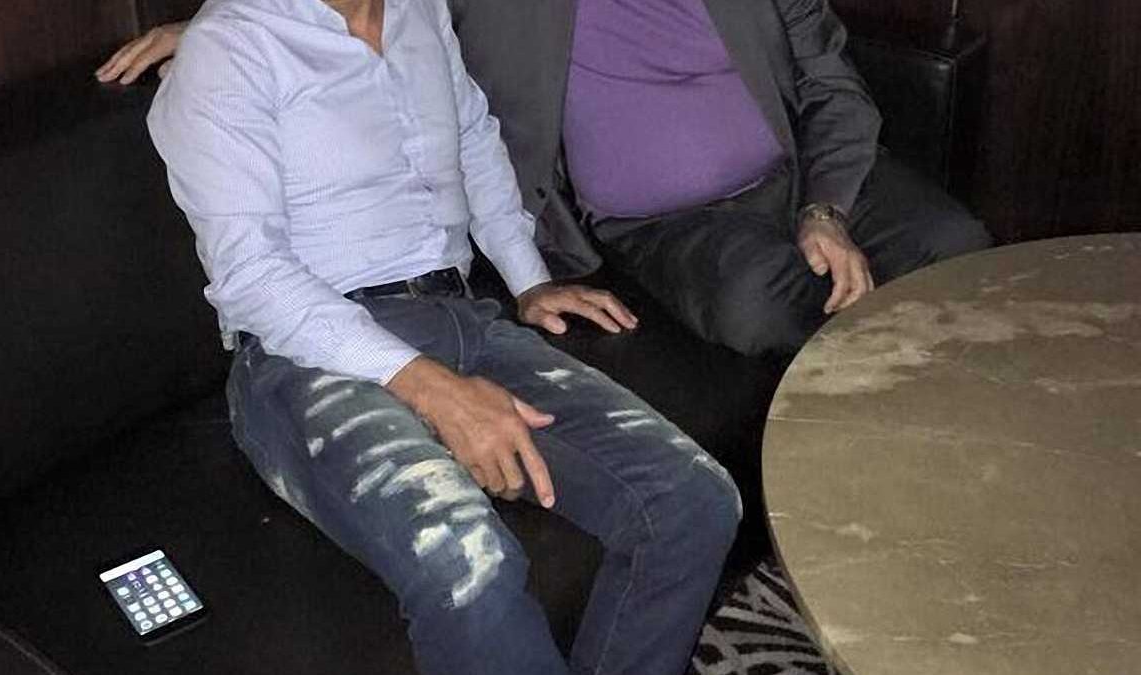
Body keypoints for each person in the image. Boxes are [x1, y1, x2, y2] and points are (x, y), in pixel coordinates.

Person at [141, 0, 743, 674]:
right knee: (468, 566)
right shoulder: (230, 49)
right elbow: (252, 277)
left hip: (458, 317)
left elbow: (473, 137)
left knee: (694, 501)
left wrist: (527, 279)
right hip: (305, 358)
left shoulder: (420, 9)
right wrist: (434, 390)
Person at [99, 0, 991, 357]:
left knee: (959, 245)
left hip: (804, 174)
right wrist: (216, 25)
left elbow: (831, 77)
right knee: (761, 305)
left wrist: (824, 207)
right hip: (667, 221)